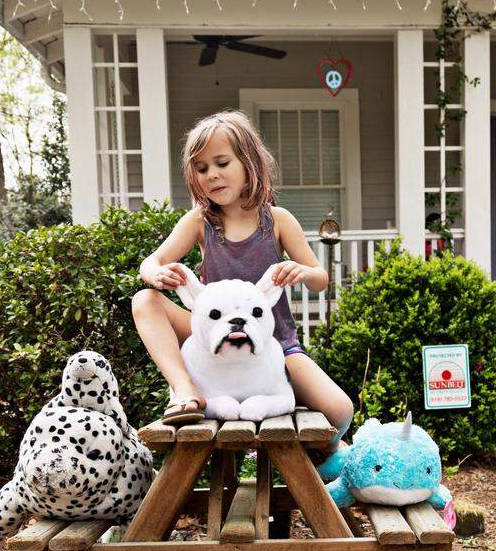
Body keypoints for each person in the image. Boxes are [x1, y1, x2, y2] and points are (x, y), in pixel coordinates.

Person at [131, 110, 353, 466]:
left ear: (248, 162)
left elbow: (320, 278)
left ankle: (324, 457)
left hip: (276, 343)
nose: (212, 175)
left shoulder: (277, 221)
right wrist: (155, 275)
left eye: (221, 162)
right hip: (212, 337)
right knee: (145, 301)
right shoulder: (199, 222)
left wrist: (302, 271)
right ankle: (184, 390)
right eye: (201, 168)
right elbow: (149, 263)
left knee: (340, 410)